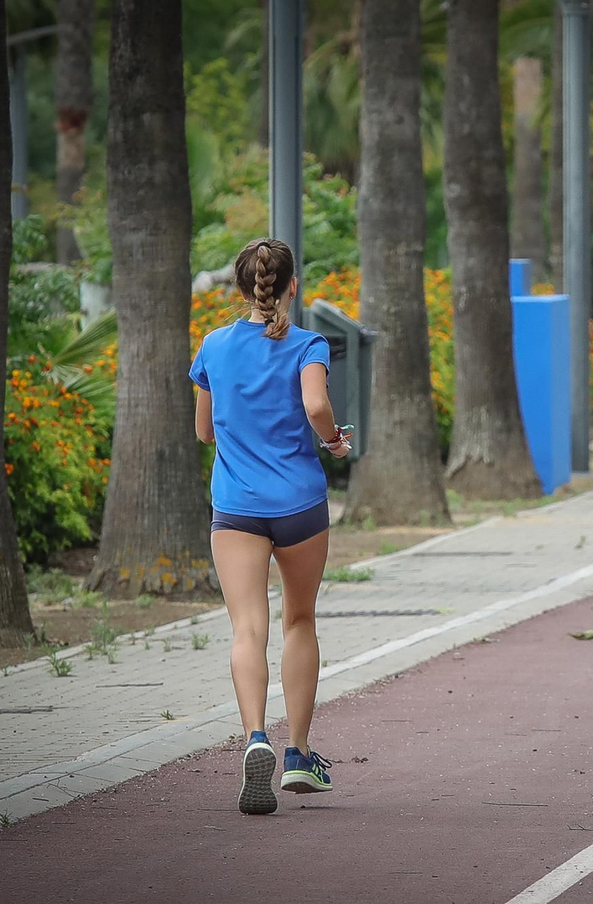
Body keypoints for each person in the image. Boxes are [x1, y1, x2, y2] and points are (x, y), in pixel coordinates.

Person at [190, 238, 350, 815]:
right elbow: (315, 408)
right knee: (299, 619)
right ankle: (299, 756)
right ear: (292, 287)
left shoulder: (212, 346)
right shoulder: (308, 344)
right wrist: (334, 441)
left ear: (243, 288)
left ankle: (255, 735)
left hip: (236, 505)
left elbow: (205, 433)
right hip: (299, 503)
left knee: (245, 627)